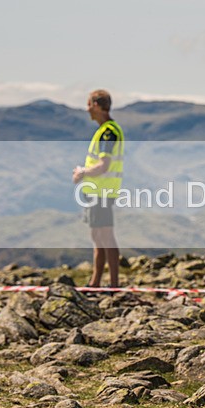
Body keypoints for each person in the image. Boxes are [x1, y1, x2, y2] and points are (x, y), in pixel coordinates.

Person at [72, 89, 125, 287]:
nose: (87, 110)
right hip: (98, 192)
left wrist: (82, 173)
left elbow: (104, 165)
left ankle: (112, 285)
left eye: (88, 105)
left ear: (96, 105)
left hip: (101, 192)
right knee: (98, 235)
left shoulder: (108, 132)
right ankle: (97, 282)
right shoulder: (106, 130)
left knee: (105, 236)